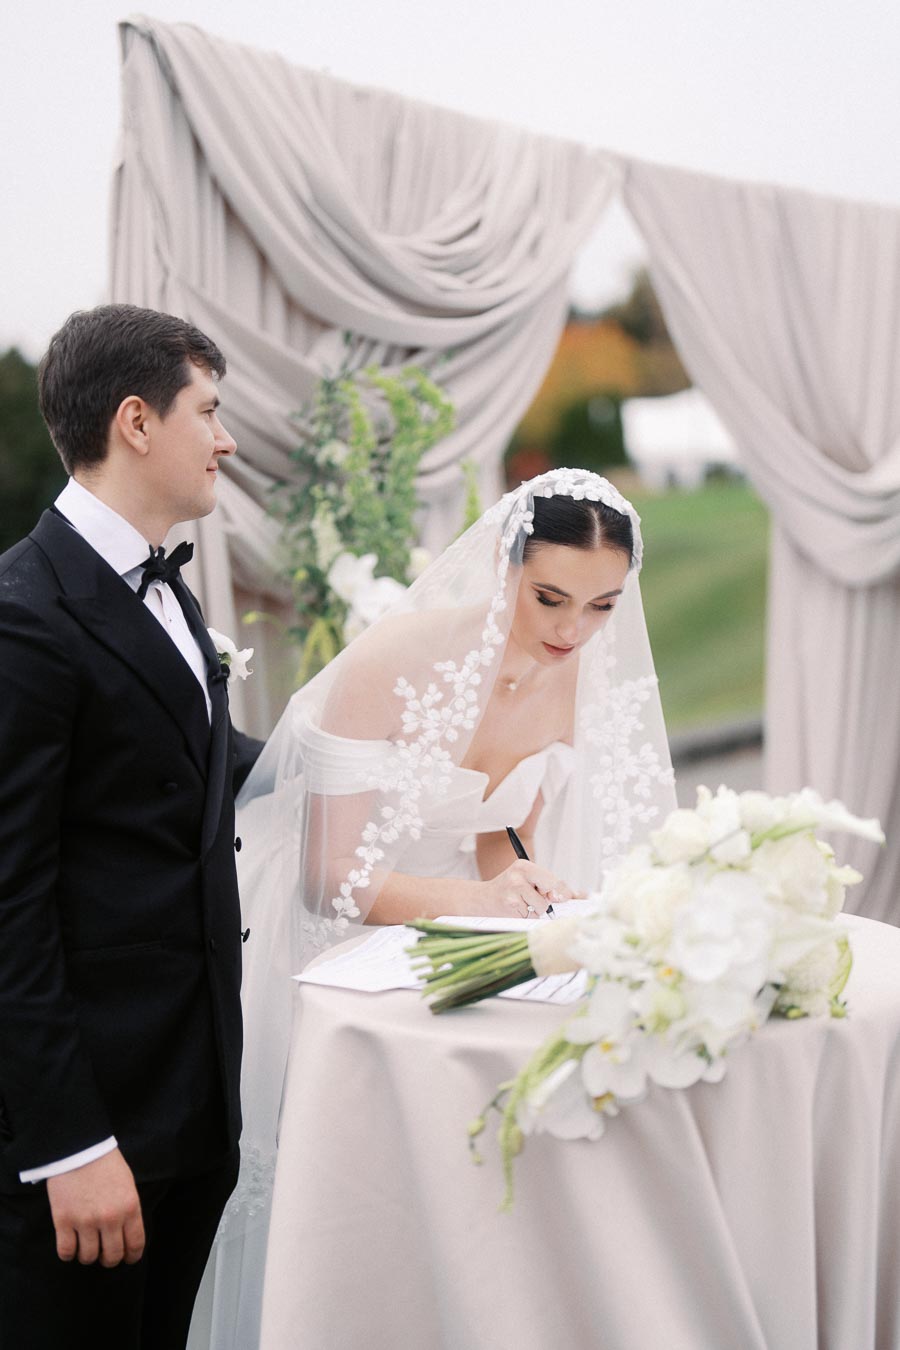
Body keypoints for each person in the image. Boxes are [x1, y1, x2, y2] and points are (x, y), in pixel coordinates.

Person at [200, 466, 677, 1349]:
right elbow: (326, 877)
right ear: (504, 566)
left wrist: (525, 880)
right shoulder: (392, 663)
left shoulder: (578, 678)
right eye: (550, 598)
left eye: (604, 607)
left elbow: (499, 827)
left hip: (456, 925)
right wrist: (480, 900)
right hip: (326, 938)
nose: (574, 632)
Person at [0, 304, 263, 1350]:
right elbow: (8, 901)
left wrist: (383, 752)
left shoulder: (160, 584)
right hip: (88, 1141)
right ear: (137, 422)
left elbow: (194, 770)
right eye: (211, 410)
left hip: (189, 1107)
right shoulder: (25, 614)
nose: (227, 437)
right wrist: (69, 1146)